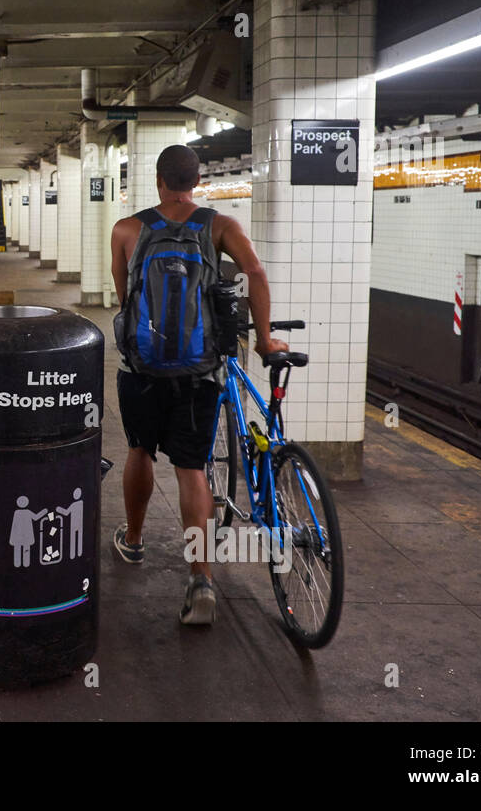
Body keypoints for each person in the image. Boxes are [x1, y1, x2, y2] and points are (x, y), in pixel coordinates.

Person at [109, 144, 289, 625]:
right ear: (198, 180)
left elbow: (123, 298)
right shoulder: (219, 225)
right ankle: (201, 579)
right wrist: (265, 338)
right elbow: (254, 272)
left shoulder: (127, 229)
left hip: (143, 370)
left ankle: (133, 539)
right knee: (192, 470)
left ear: (158, 180)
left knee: (140, 450)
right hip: (199, 374)